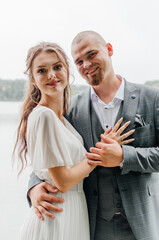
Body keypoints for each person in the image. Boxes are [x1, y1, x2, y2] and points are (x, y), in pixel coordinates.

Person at [28, 31, 159, 240]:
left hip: (142, 224)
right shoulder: (71, 109)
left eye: (91, 54)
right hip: (90, 225)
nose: (86, 64)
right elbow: (51, 153)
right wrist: (33, 187)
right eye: (79, 61)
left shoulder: (151, 98)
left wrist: (125, 157)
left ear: (109, 49)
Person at [14, 42, 133, 240]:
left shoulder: (64, 117)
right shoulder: (44, 116)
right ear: (33, 79)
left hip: (75, 210)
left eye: (57, 67)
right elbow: (62, 181)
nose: (51, 74)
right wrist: (101, 152)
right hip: (59, 213)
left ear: (67, 71)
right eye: (42, 70)